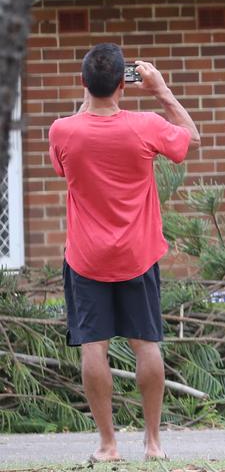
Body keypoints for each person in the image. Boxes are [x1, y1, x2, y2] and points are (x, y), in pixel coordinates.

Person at [48, 43, 200, 462]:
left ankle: (107, 446)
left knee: (92, 348)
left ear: (84, 83)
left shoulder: (62, 130)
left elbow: (64, 166)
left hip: (86, 258)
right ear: (123, 84)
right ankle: (153, 443)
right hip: (138, 254)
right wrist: (162, 89)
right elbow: (192, 138)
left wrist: (89, 97)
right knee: (146, 344)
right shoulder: (145, 125)